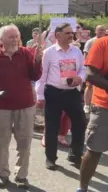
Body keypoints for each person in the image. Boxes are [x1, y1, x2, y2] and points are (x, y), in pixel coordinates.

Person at [0, 24, 42, 189]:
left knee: (25, 143)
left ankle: (21, 175)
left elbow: (36, 75)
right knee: (1, 144)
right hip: (1, 108)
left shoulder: (26, 53)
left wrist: (38, 60)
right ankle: (2, 174)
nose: (15, 39)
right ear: (1, 40)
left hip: (25, 106)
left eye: (16, 36)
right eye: (11, 36)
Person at [75, 12, 108, 192]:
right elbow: (91, 75)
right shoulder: (103, 44)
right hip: (105, 106)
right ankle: (82, 189)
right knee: (94, 150)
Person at [36, 23, 86, 170]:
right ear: (58, 35)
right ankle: (51, 158)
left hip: (72, 93)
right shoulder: (49, 52)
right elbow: (42, 75)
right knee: (52, 126)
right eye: (67, 33)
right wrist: (39, 95)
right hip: (53, 92)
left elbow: (83, 69)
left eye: (72, 33)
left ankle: (75, 154)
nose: (71, 35)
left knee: (80, 123)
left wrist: (80, 78)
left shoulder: (76, 51)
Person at [83, 25, 107, 114]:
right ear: (95, 31)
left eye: (103, 30)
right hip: (92, 68)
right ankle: (86, 104)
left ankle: (98, 105)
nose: (101, 32)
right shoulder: (90, 42)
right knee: (89, 86)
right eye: (99, 30)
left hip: (104, 69)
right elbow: (86, 56)